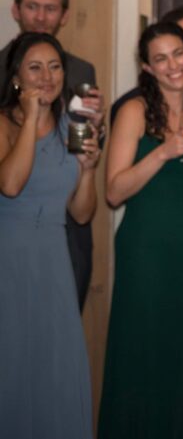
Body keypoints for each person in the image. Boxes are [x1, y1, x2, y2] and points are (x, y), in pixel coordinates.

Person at [99, 22, 183, 439]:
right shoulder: (133, 111)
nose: (173, 65)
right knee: (142, 352)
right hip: (145, 248)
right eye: (161, 59)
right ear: (148, 68)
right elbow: (114, 191)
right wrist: (166, 151)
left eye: (179, 54)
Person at [0, 32, 99, 439]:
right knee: (12, 362)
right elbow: (10, 184)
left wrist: (89, 169)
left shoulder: (73, 128)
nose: (47, 76)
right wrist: (31, 116)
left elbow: (80, 212)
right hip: (10, 258)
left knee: (54, 366)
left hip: (55, 263)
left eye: (55, 67)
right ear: (17, 77)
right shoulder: (3, 123)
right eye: (35, 67)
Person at [0, 0, 104, 310]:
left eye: (50, 8)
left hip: (63, 236)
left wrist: (96, 130)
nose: (42, 17)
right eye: (33, 6)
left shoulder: (81, 71)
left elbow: (81, 140)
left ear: (64, 15)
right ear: (16, 10)